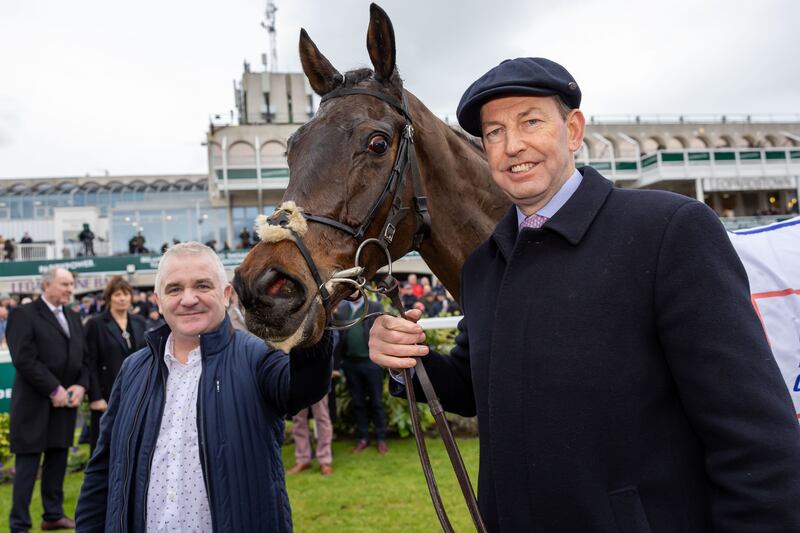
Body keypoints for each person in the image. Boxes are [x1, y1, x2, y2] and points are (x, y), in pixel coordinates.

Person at [369, 57, 800, 531]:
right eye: (494, 132)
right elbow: (477, 387)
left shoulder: (669, 231)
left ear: (573, 131)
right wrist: (409, 360)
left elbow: (756, 442)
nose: (512, 145)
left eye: (530, 121)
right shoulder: (482, 268)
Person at [76, 242, 333, 532]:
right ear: (158, 301)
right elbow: (103, 469)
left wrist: (316, 312)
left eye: (202, 285)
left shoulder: (257, 356)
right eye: (174, 289)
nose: (188, 299)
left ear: (225, 295)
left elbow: (306, 387)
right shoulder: (134, 368)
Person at [7, 267, 89, 533]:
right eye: (64, 284)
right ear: (47, 285)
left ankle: (52, 515)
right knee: (28, 467)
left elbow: (83, 358)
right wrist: (54, 390)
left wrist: (79, 386)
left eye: (71, 284)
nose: (70, 289)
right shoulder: (23, 314)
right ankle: (19, 524)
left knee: (57, 463)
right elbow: (23, 358)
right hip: (34, 404)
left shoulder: (74, 317)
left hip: (64, 405)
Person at [84, 276, 146, 452]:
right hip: (107, 394)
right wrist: (95, 397)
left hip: (136, 392)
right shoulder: (96, 324)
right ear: (109, 297)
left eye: (126, 294)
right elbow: (90, 362)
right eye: (118, 294)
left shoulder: (139, 322)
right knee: (104, 447)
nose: (123, 298)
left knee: (135, 445)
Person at [336, 297, 389, 454]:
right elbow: (339, 337)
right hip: (350, 364)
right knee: (357, 403)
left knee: (377, 402)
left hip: (371, 363)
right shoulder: (343, 309)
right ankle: (363, 438)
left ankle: (381, 439)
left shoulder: (375, 306)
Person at [286, 393, 334, 476]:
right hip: (296, 382)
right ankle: (303, 460)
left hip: (318, 380)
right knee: (298, 420)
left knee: (322, 417)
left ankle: (325, 461)